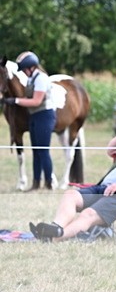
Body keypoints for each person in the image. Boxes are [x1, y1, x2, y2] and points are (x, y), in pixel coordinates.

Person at [28, 121, 116, 241]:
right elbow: (110, 150)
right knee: (70, 195)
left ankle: (54, 238)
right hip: (102, 188)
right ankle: (56, 227)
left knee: (88, 215)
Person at [3, 51, 56, 190]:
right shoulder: (31, 78)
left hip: (44, 116)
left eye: (24, 70)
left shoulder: (41, 79)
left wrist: (15, 101)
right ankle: (36, 182)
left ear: (30, 67)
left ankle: (49, 182)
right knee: (36, 151)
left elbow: (36, 101)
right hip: (35, 116)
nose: (24, 73)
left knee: (43, 151)